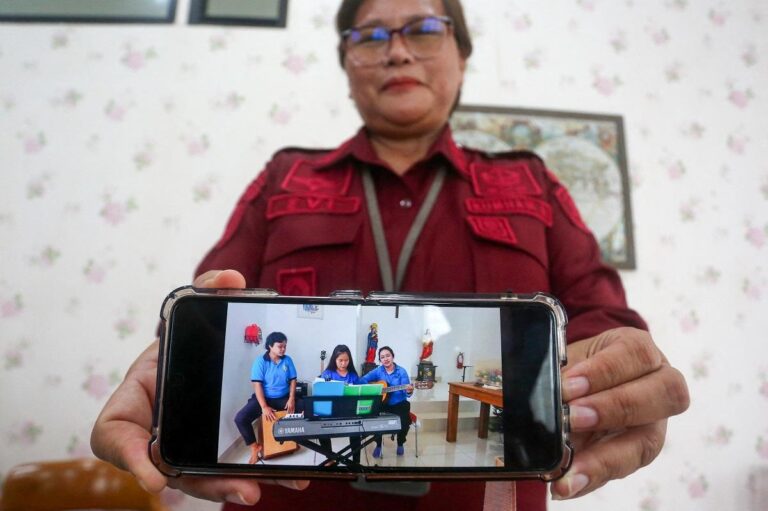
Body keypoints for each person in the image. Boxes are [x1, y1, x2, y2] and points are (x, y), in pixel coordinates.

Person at [91, 0, 690, 509]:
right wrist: (173, 367)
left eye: (423, 30)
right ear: (347, 66)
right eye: (371, 36)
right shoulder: (284, 177)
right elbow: (207, 311)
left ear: (462, 55)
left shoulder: (531, 182)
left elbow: (603, 323)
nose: (397, 52)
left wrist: (619, 374)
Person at [234, 332, 303, 464]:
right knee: (240, 418)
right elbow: (257, 385)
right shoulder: (260, 361)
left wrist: (291, 398)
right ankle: (255, 447)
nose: (283, 349)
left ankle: (294, 440)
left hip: (283, 397)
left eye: (285, 346)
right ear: (270, 346)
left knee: (304, 407)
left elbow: (293, 380)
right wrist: (264, 406)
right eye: (280, 346)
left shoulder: (287, 360)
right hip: (264, 398)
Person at [359, 346, 413, 458]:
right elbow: (362, 379)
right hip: (383, 403)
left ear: (393, 356)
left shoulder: (401, 372)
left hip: (398, 403)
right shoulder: (378, 370)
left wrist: (409, 391)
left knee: (405, 422)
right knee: (375, 420)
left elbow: (407, 392)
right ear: (380, 360)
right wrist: (373, 388)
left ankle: (400, 442)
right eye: (382, 357)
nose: (386, 359)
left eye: (388, 356)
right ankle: (378, 444)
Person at [318, 344, 362, 464]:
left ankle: (356, 462)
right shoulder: (327, 374)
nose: (343, 363)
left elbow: (360, 392)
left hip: (350, 410)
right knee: (321, 428)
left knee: (356, 429)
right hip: (332, 410)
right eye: (340, 360)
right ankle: (330, 458)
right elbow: (322, 393)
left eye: (346, 360)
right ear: (334, 359)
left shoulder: (353, 375)